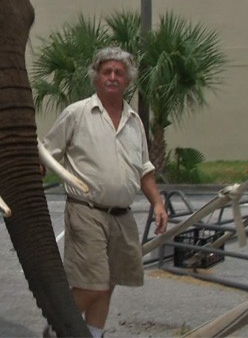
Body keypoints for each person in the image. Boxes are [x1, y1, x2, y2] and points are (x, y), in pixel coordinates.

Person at [42, 46, 168, 338]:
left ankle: (93, 335)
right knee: (93, 283)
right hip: (86, 211)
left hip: (122, 217)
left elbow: (144, 169)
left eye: (119, 73)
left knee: (108, 284)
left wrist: (158, 204)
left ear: (127, 80)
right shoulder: (76, 114)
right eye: (107, 71)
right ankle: (54, 329)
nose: (112, 77)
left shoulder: (135, 121)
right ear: (96, 77)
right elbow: (48, 155)